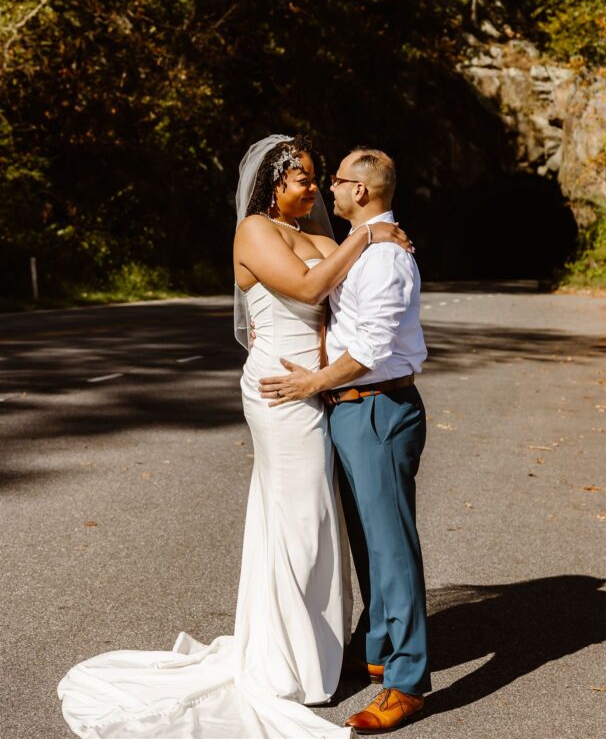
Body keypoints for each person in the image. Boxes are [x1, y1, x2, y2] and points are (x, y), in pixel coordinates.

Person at [57, 134, 412, 739]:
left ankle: (319, 652)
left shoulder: (326, 238)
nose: (312, 186)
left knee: (315, 518)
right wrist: (367, 235)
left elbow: (346, 302)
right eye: (303, 176)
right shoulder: (255, 231)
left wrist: (380, 249)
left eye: (316, 176)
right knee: (300, 516)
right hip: (279, 390)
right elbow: (305, 290)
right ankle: (286, 663)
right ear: (275, 182)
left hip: (316, 388)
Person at [259, 147, 430, 736]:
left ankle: (406, 683)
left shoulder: (385, 258)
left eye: (334, 180)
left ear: (360, 190)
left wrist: (312, 381)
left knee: (391, 547)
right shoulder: (361, 245)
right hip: (350, 410)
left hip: (379, 408)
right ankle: (375, 648)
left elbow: (374, 349)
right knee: (365, 540)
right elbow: (312, 291)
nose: (327, 188)